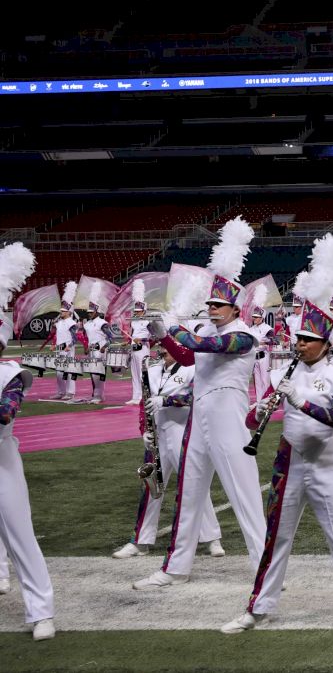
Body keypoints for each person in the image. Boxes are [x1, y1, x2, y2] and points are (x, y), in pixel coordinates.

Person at [222, 237, 333, 634]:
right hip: (289, 464)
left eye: (308, 340)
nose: (300, 345)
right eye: (298, 339)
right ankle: (257, 607)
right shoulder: (282, 373)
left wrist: (299, 400)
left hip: (327, 466)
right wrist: (258, 411)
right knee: (275, 539)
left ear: (326, 343)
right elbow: (249, 422)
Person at [134, 216, 267, 590]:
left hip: (229, 416)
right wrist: (164, 336)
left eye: (218, 306)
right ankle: (175, 567)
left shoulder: (244, 335)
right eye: (210, 304)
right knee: (189, 495)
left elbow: (205, 347)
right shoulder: (209, 329)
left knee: (244, 495)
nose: (211, 309)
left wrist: (175, 325)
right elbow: (190, 357)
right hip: (201, 416)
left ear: (235, 309)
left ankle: (264, 564)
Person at [112, 347, 224, 560]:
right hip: (158, 434)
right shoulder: (152, 370)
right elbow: (144, 403)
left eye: (167, 347)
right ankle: (141, 541)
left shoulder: (193, 368)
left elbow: (196, 396)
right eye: (160, 346)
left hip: (183, 433)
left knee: (195, 484)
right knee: (152, 487)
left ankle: (212, 538)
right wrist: (144, 430)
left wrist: (166, 400)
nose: (162, 350)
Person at [0, 242, 55, 640]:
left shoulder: (11, 375)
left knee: (20, 535)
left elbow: (5, 413)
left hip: (2, 463)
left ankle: (42, 611)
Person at [80, 289, 116, 404]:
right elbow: (87, 338)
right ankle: (96, 394)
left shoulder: (102, 323)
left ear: (96, 311)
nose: (89, 313)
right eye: (89, 312)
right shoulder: (87, 324)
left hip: (100, 350)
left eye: (91, 312)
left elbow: (111, 337)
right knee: (92, 373)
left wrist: (105, 346)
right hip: (91, 351)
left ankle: (99, 395)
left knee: (99, 373)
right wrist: (85, 347)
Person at [50, 283, 79, 401]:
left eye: (63, 311)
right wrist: (53, 345)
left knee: (69, 372)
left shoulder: (72, 323)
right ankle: (61, 392)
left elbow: (75, 338)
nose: (61, 312)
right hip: (59, 349)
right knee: (59, 373)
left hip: (68, 350)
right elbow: (55, 336)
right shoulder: (60, 322)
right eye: (61, 310)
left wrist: (69, 346)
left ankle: (70, 392)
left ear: (69, 312)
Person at [126, 280, 152, 405]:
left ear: (144, 310)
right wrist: (128, 341)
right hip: (134, 347)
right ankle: (135, 396)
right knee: (134, 373)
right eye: (135, 310)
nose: (136, 312)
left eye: (138, 311)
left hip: (143, 348)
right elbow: (132, 334)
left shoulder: (149, 321)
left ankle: (143, 396)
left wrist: (142, 340)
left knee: (143, 373)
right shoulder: (133, 321)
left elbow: (154, 337)